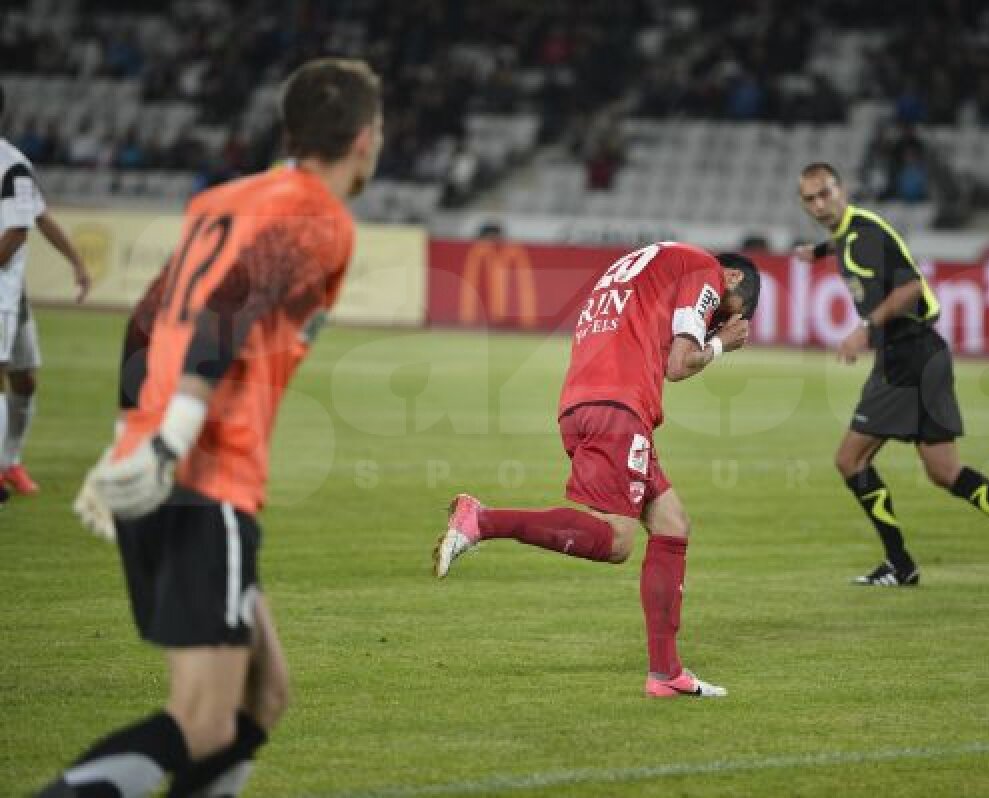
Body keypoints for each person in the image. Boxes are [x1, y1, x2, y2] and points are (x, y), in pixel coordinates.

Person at [38, 58, 383, 797]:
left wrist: (131, 437)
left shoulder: (221, 200)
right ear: (363, 138)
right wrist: (167, 439)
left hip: (159, 468)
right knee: (200, 719)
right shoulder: (317, 214)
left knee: (264, 696)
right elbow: (227, 307)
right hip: (205, 477)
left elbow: (146, 321)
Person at [434, 242, 760, 697]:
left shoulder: (639, 265)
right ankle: (482, 520)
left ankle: (665, 674)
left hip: (585, 401)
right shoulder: (705, 268)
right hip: (618, 407)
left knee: (672, 523)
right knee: (616, 541)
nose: (715, 321)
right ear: (734, 279)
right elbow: (680, 364)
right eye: (724, 312)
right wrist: (722, 344)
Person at [794, 162, 989, 592]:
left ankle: (901, 564)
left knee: (849, 459)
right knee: (944, 471)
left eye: (824, 193)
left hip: (908, 355)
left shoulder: (866, 233)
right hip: (922, 355)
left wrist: (866, 328)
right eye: (809, 198)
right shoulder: (847, 235)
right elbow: (847, 243)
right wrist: (819, 252)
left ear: (841, 189)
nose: (818, 203)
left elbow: (910, 288)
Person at [0, 84, 93, 504]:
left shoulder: (12, 166)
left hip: (6, 291)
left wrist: (76, 260)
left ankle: (10, 462)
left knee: (25, 380)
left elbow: (22, 230)